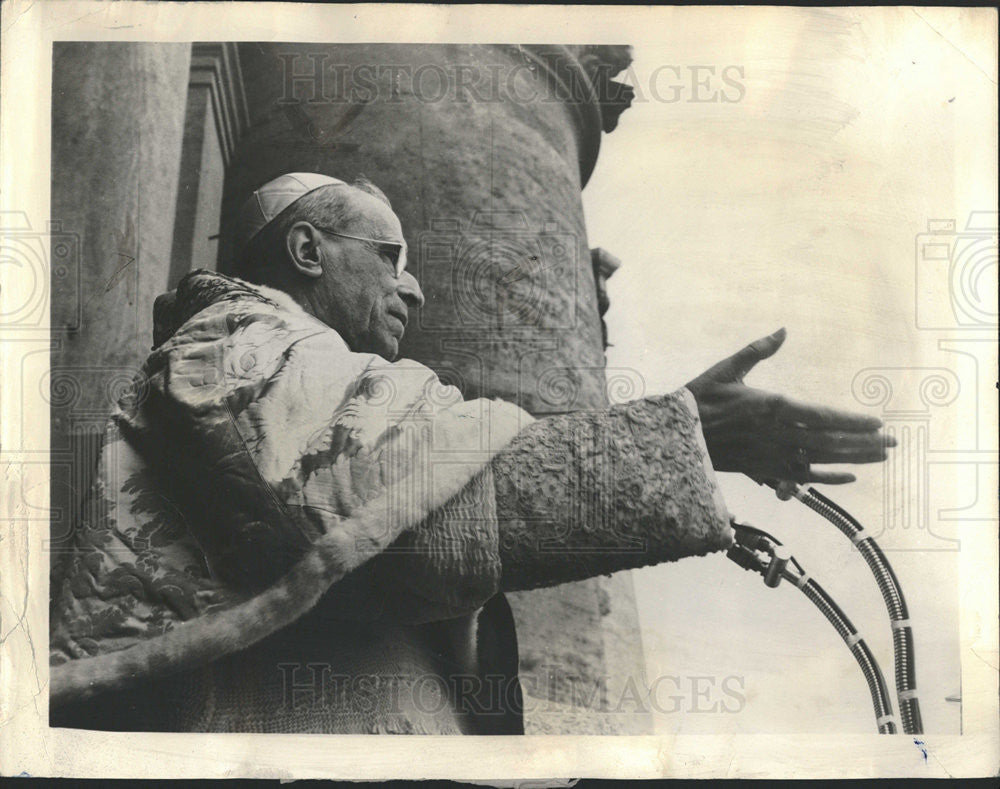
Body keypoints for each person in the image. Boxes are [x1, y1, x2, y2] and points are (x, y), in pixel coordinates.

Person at [49, 172, 893, 734]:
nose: (412, 286)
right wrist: (685, 435)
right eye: (389, 258)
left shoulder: (305, 365)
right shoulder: (233, 345)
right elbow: (418, 518)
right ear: (307, 250)